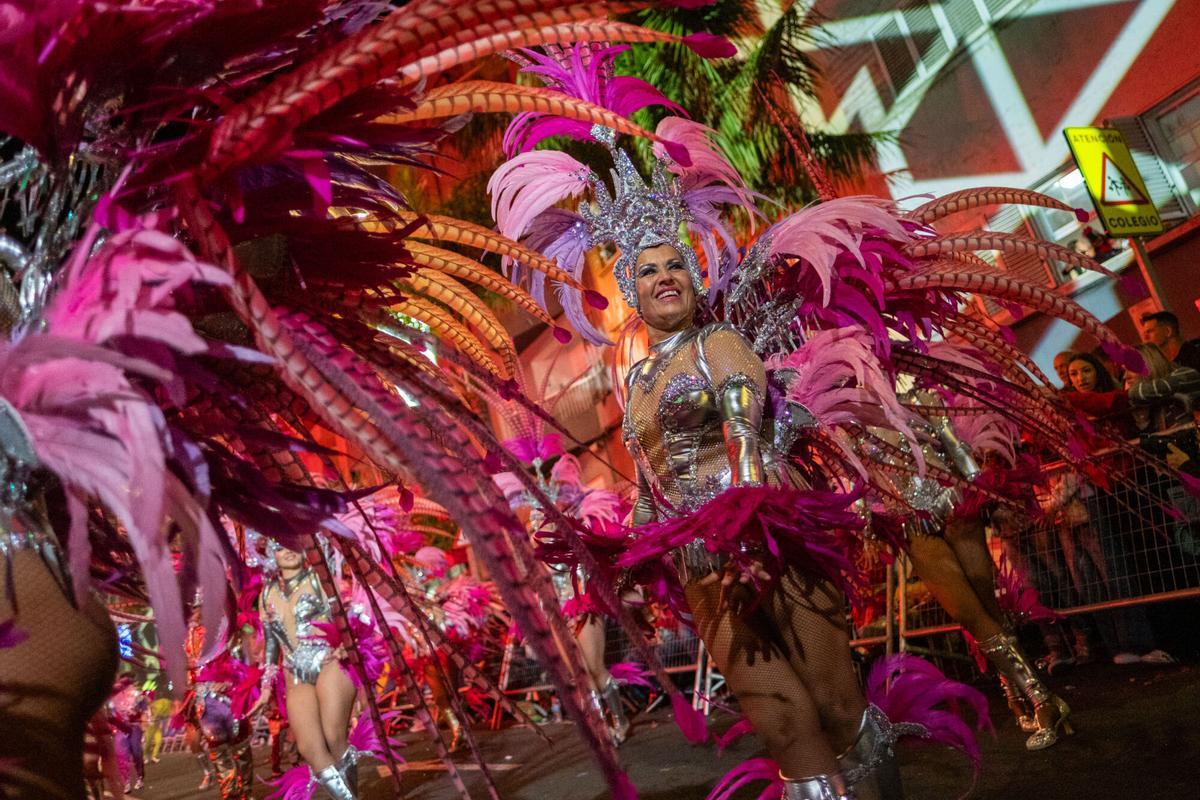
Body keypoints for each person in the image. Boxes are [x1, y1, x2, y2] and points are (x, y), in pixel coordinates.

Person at [252, 544, 359, 800]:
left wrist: (347, 643)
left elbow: (344, 614)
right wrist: (266, 688)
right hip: (296, 675)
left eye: (292, 543)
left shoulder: (319, 578)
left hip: (330, 662)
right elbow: (270, 644)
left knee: (334, 735)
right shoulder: (267, 593)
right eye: (278, 546)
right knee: (309, 747)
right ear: (269, 554)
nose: (287, 550)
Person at [1126, 342, 1200, 432]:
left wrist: (1128, 393)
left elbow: (1140, 392)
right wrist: (1143, 422)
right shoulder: (1154, 401)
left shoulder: (1185, 375)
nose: (1125, 376)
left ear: (1149, 365)